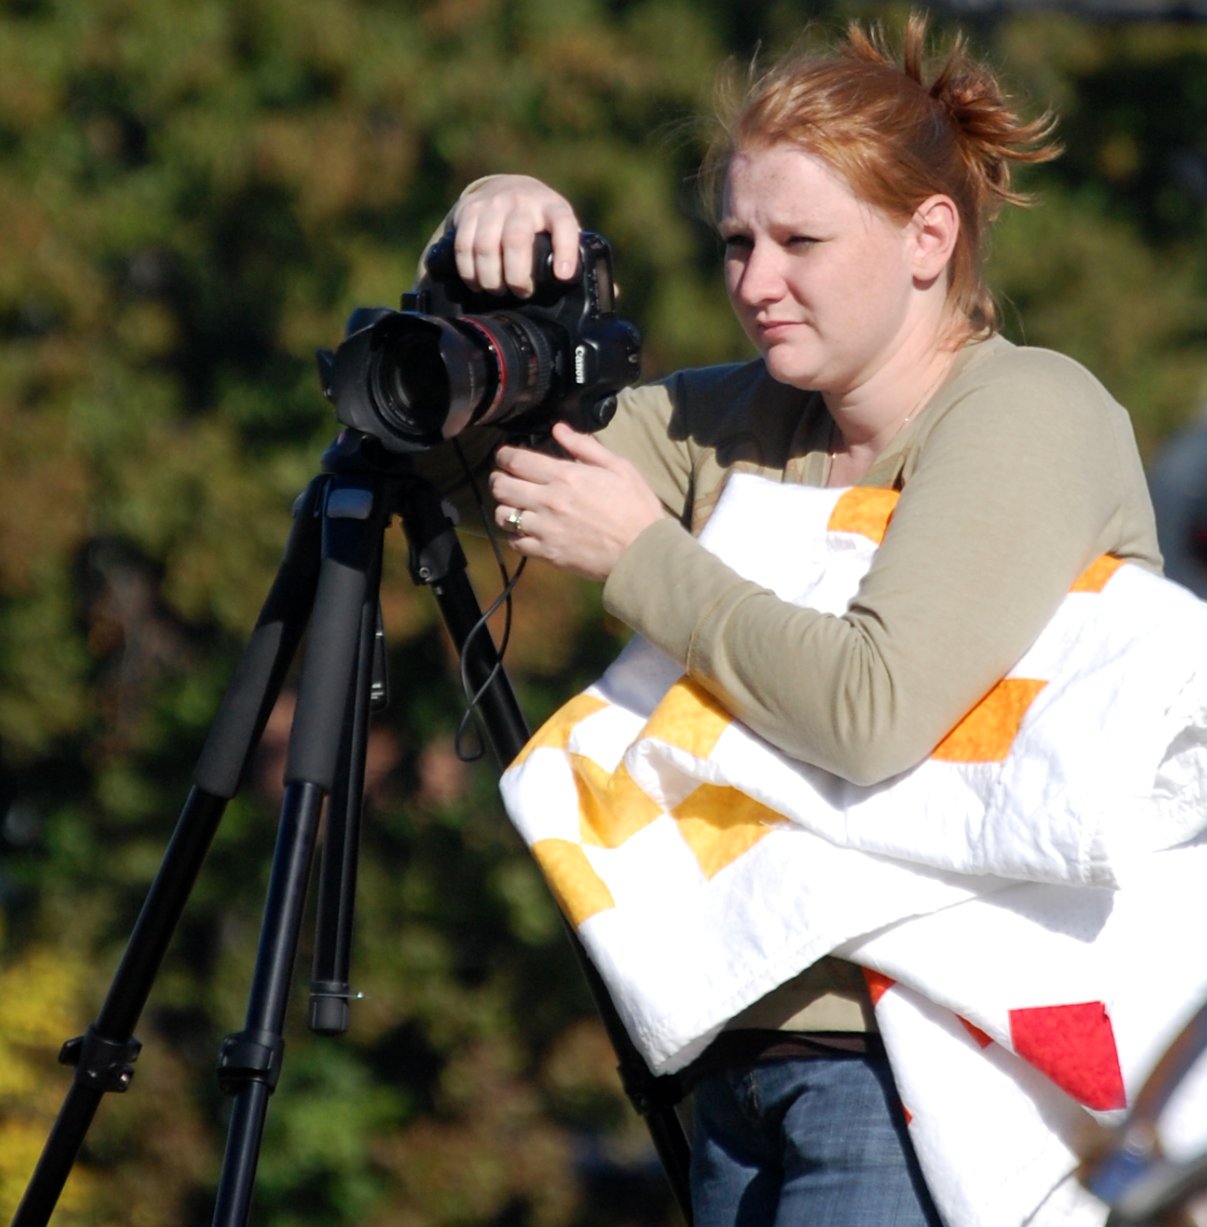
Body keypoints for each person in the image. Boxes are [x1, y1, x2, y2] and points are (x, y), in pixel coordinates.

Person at [421, 13, 1162, 1226]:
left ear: (930, 237)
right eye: (736, 241)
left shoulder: (1029, 412)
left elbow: (871, 711)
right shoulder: (734, 417)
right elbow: (466, 469)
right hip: (737, 1056)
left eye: (800, 241)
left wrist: (644, 556)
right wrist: (473, 248)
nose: (755, 283)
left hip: (923, 1069)